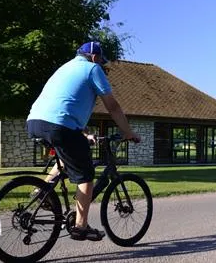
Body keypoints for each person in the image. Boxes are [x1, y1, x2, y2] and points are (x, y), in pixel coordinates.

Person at [26, 41, 141, 241]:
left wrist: (85, 134)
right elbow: (112, 107)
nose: (102, 65)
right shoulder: (92, 69)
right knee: (86, 174)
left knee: (65, 159)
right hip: (59, 126)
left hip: (35, 122)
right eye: (101, 61)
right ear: (95, 57)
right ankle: (81, 226)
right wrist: (128, 132)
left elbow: (66, 107)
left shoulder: (65, 68)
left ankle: (41, 192)